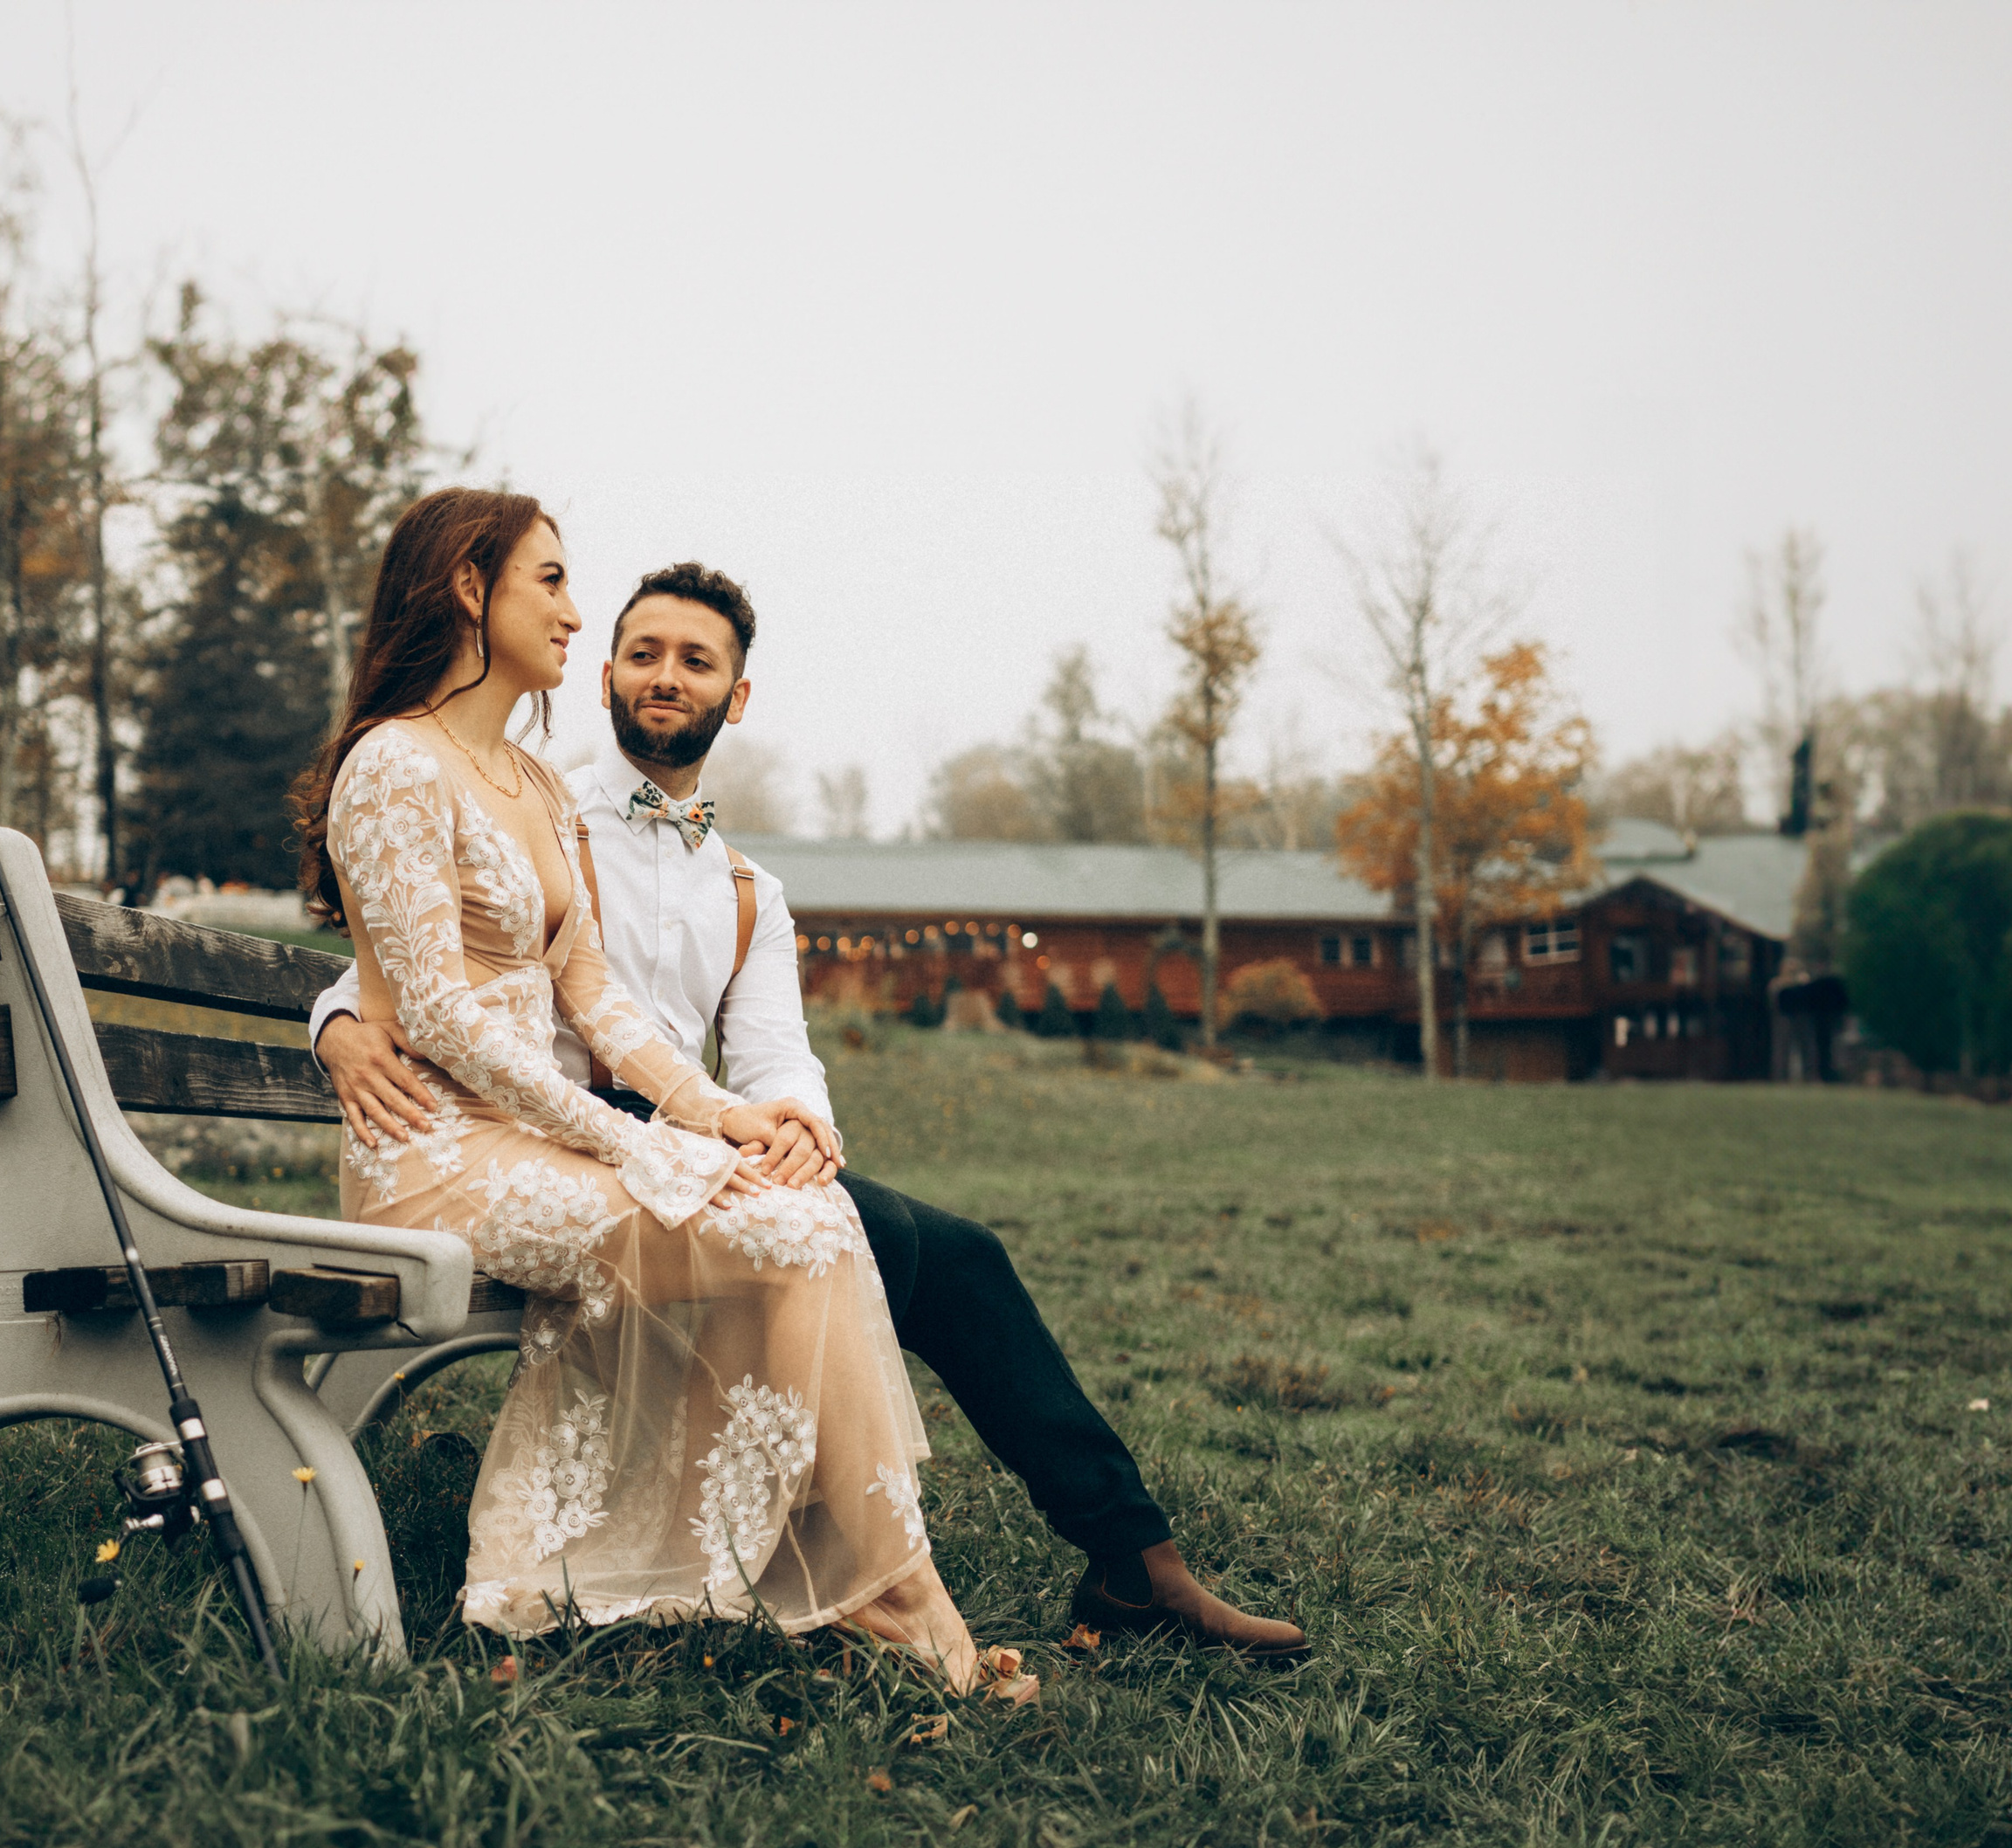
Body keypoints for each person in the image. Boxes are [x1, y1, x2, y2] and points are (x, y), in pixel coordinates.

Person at [313, 554, 1310, 1658]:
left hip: (683, 1132)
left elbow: (779, 1055)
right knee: (875, 1242)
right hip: (547, 1137)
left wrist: (798, 1126)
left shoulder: (749, 891)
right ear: (604, 677)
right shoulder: (531, 804)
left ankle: (1133, 1560)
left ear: (735, 698)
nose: (665, 676)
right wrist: (333, 1025)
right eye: (643, 654)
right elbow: (408, 956)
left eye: (696, 662)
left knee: (961, 1252)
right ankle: (843, 1565)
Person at [293, 488, 1012, 1693]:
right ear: (470, 590)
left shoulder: (527, 780)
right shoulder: (394, 766)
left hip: (530, 1146)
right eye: (554, 581)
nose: (577, 612)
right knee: (780, 1223)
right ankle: (881, 1588)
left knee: (809, 1211)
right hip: (437, 1161)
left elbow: (597, 1002)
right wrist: (628, 1146)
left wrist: (720, 1114)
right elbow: (438, 1018)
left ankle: (868, 1573)